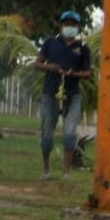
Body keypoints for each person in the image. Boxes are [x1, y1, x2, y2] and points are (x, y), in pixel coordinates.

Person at [34, 10, 91, 180]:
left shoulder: (82, 48)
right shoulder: (50, 43)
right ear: (62, 25)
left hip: (72, 95)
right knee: (47, 135)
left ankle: (66, 172)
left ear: (77, 27)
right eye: (67, 24)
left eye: (73, 24)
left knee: (69, 134)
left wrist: (74, 73)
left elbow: (87, 73)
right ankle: (46, 168)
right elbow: (37, 64)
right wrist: (50, 67)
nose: (69, 27)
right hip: (50, 93)